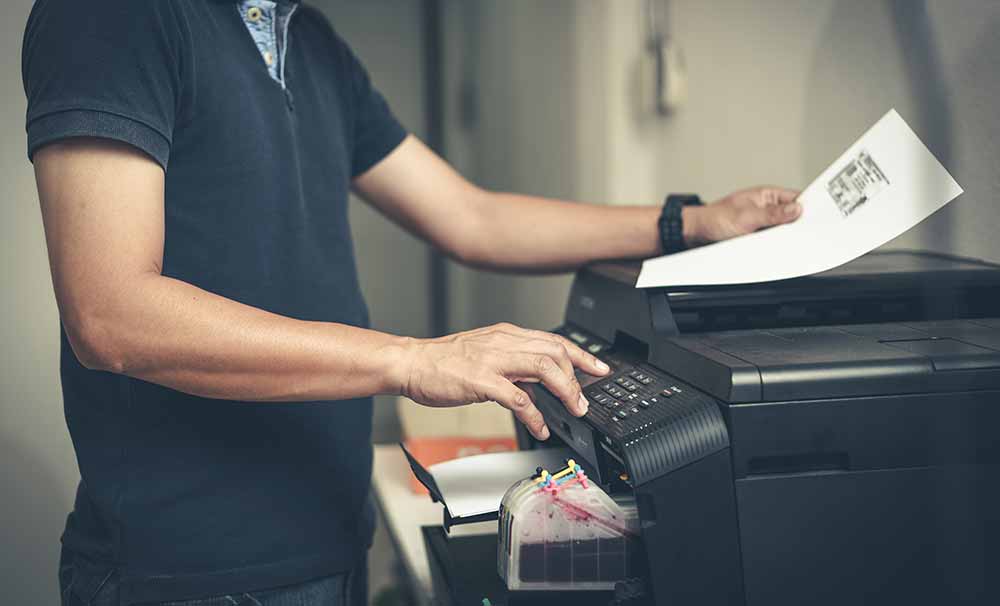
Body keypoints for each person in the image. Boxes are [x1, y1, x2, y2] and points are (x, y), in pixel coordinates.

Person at [22, 1, 801, 605]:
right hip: (191, 573)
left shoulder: (313, 43)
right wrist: (414, 357)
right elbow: (111, 313)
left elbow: (472, 217)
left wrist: (691, 223)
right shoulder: (114, 15)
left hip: (328, 539)